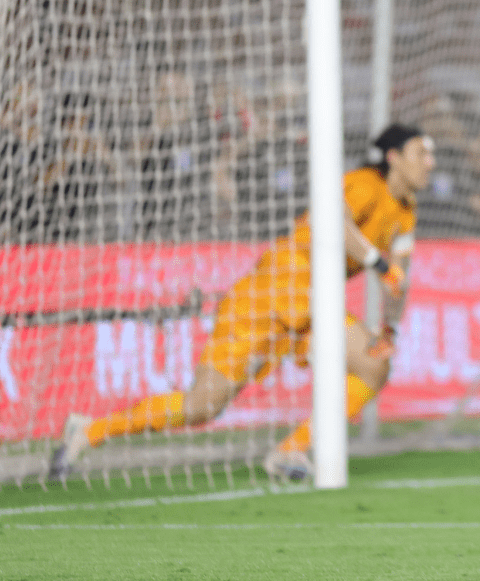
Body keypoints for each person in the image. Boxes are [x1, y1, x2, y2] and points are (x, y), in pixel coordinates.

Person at [49, 124, 436, 482]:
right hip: (271, 293)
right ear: (394, 158)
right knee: (201, 407)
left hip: (312, 305)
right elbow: (329, 219)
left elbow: (398, 279)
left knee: (374, 365)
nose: (430, 163)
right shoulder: (365, 185)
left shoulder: (406, 213)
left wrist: (392, 327)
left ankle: (290, 450)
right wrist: (378, 263)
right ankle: (90, 430)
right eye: (421, 153)